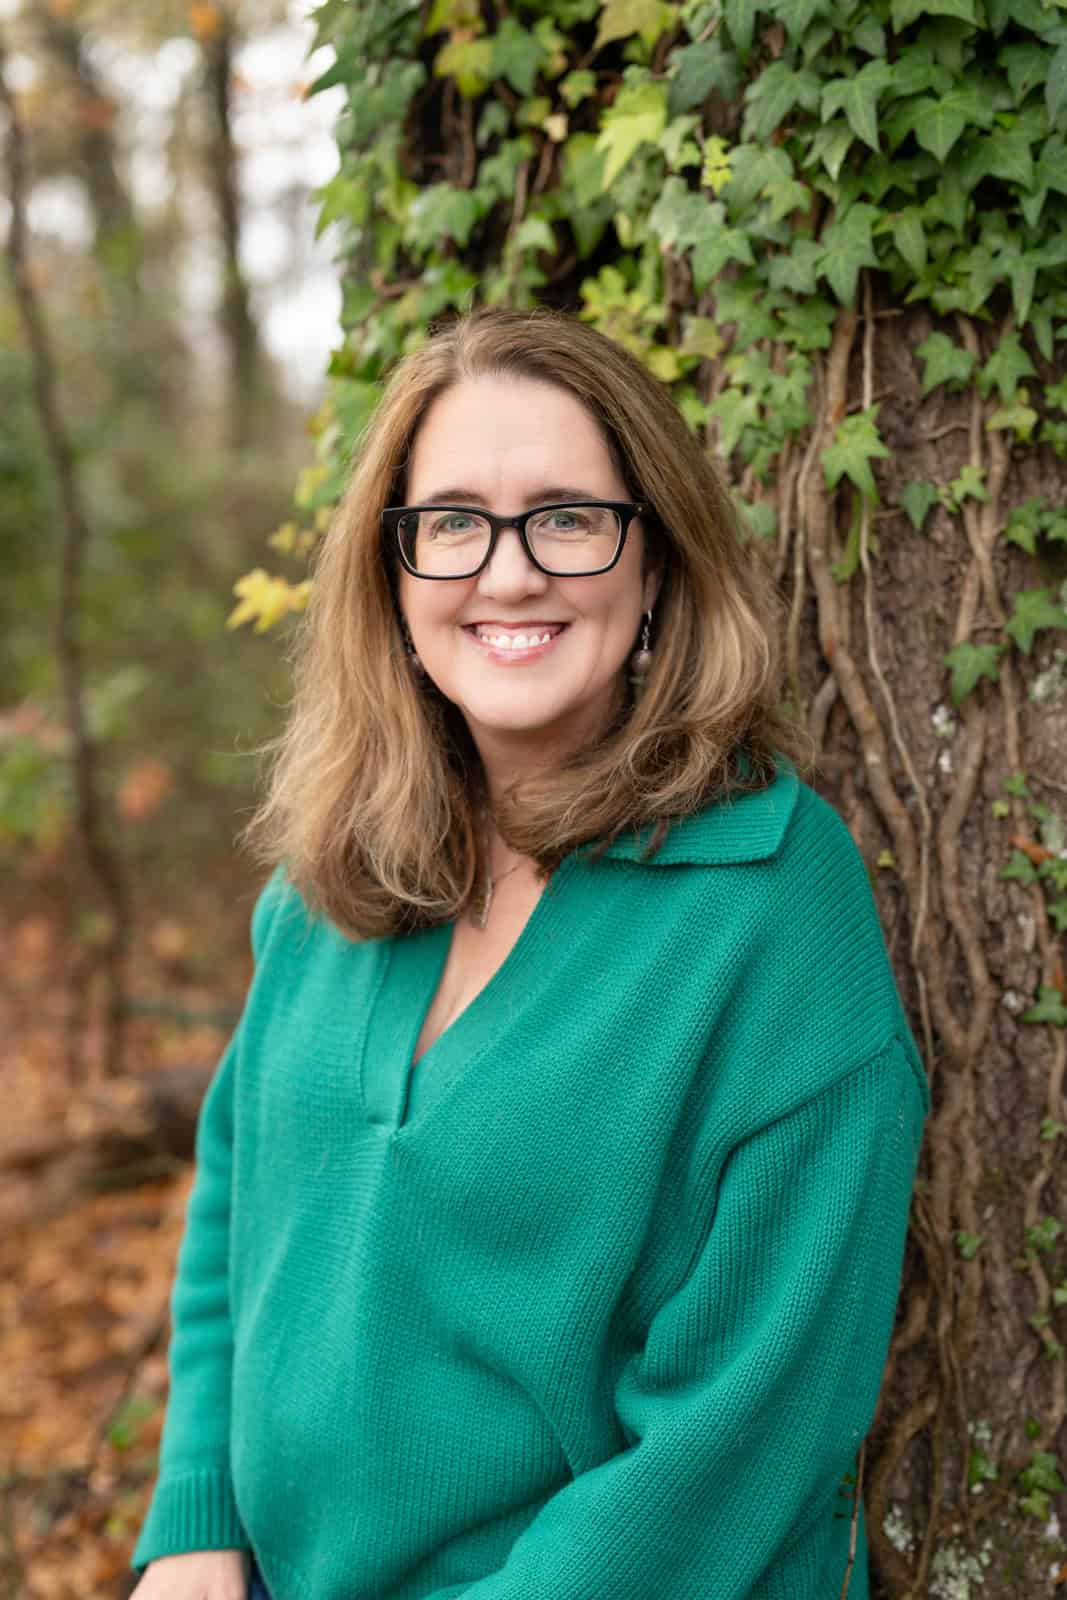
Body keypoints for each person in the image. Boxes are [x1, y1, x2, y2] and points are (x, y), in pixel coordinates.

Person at [129, 306, 927, 1600]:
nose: (507, 575)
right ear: (392, 573)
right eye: (450, 522)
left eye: (566, 516)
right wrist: (193, 1521)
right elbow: (241, 1194)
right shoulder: (336, 870)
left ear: (656, 561)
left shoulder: (770, 904)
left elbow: (743, 1431)